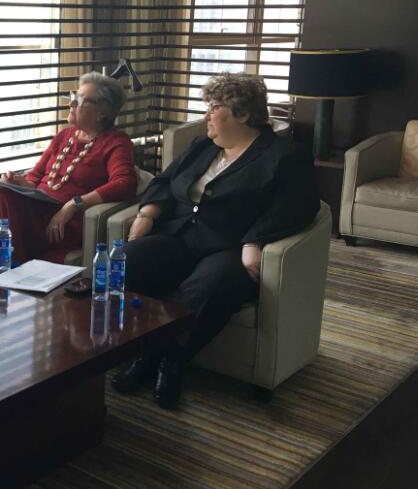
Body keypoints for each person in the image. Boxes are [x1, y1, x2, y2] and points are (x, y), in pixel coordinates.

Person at [111, 72, 319, 408]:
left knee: (209, 286)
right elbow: (165, 181)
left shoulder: (283, 155)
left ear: (243, 114)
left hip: (228, 246)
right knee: (126, 264)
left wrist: (255, 242)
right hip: (178, 236)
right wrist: (147, 213)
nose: (206, 115)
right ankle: (142, 350)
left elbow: (300, 206)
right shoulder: (202, 146)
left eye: (214, 107)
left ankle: (169, 361)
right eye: (207, 107)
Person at [0, 72, 137, 263]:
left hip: (63, 222)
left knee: (4, 201)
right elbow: (35, 177)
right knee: (4, 194)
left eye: (80, 100)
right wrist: (18, 183)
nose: (71, 103)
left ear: (102, 112)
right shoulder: (64, 136)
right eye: (73, 96)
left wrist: (73, 205)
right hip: (38, 210)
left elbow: (125, 183)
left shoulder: (116, 142)